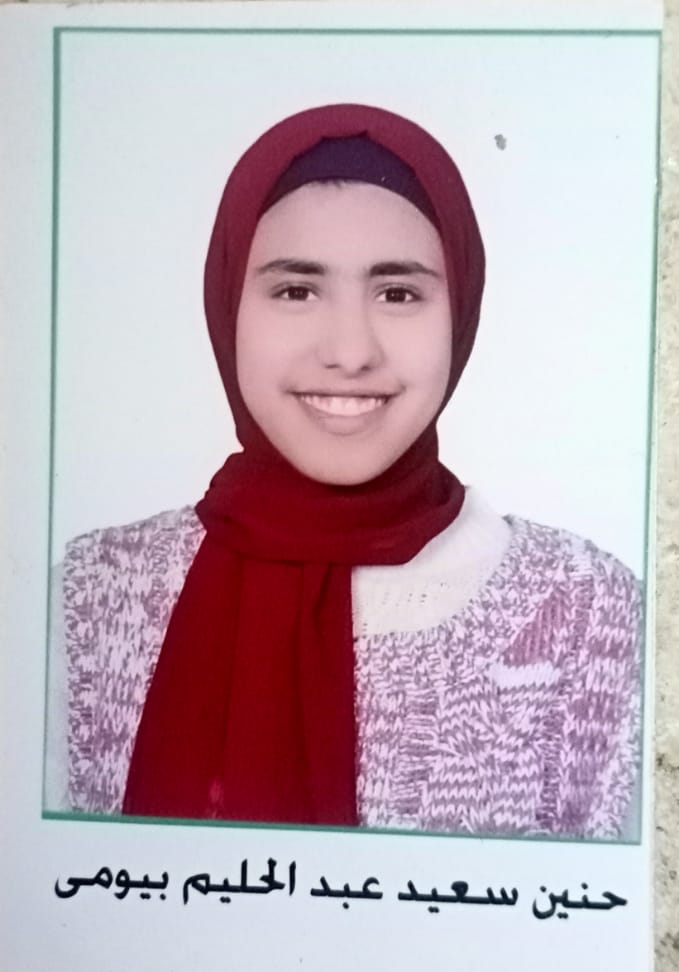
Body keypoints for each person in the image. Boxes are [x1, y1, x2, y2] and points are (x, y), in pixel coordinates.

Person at [49, 103, 642, 837]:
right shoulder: (85, 603)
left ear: (460, 311)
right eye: (296, 290)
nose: (351, 352)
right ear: (227, 304)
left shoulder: (589, 616)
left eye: (398, 293)